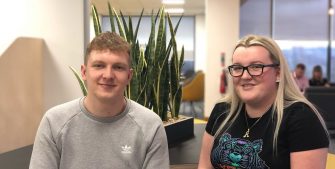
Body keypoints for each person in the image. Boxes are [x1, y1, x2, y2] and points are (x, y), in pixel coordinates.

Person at [29, 32, 169, 169]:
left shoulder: (151, 126)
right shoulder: (53, 122)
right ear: (84, 72)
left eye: (118, 67)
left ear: (129, 76)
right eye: (99, 65)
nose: (108, 75)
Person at [198, 35, 329, 169]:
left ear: (278, 73)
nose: (245, 76)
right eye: (237, 68)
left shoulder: (302, 118)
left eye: (256, 66)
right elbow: (204, 166)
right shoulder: (222, 110)